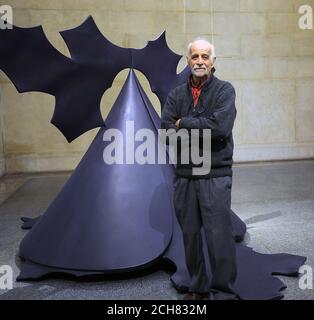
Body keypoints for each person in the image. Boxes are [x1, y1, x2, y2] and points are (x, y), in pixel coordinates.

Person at [161, 38, 238, 300]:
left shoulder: (225, 91)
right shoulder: (176, 95)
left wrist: (185, 123)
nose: (200, 61)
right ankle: (198, 288)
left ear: (213, 61)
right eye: (195, 57)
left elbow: (220, 129)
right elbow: (166, 133)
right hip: (184, 176)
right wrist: (198, 129)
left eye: (205, 56)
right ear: (188, 60)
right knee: (190, 237)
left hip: (215, 175)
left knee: (219, 238)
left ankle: (223, 291)